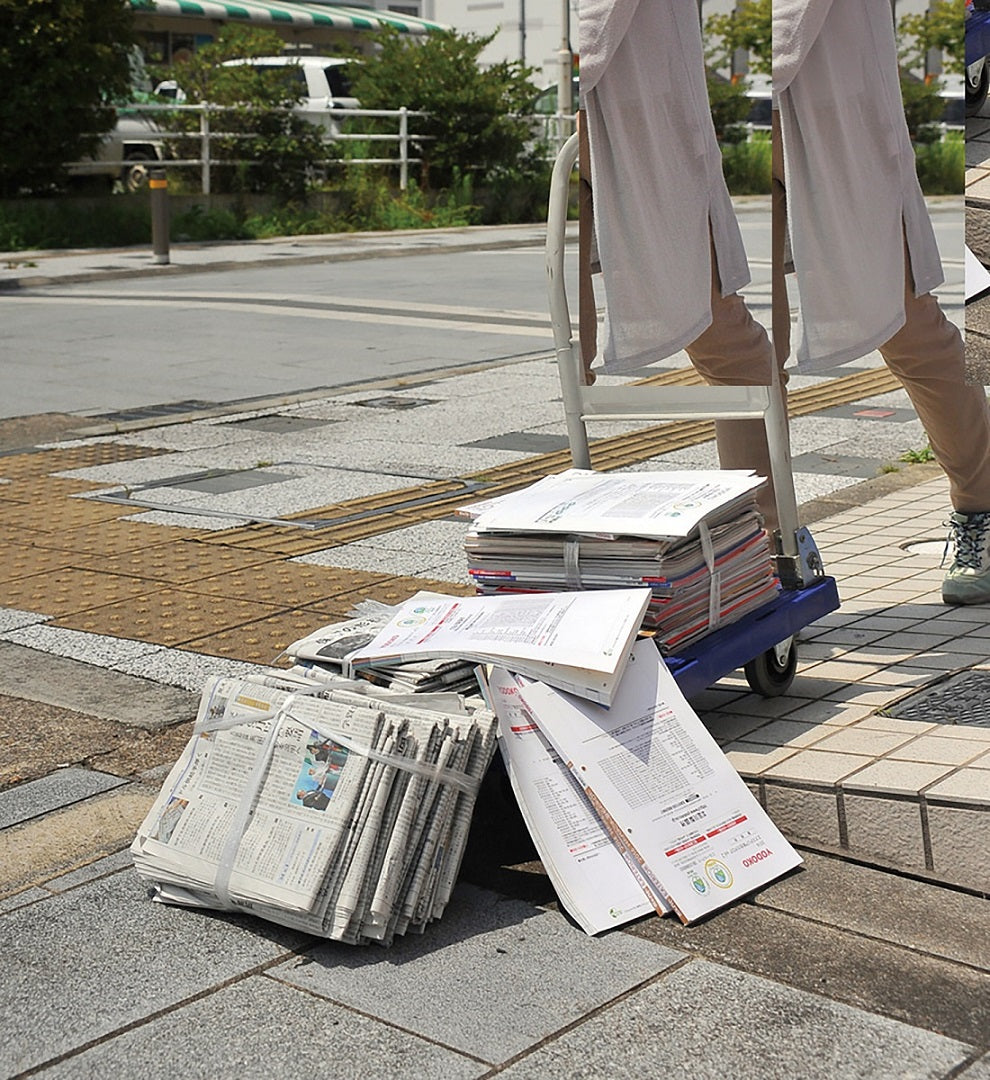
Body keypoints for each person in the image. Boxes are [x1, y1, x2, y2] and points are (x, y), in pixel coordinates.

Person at [774, 0, 990, 604]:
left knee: (908, 323)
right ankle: (759, 545)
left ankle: (981, 507)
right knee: (730, 351)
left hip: (836, 106)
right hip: (711, 117)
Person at [579, 0, 785, 531]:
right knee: (734, 352)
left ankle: (761, 539)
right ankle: (762, 539)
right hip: (638, 121)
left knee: (733, 350)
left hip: (640, 118)